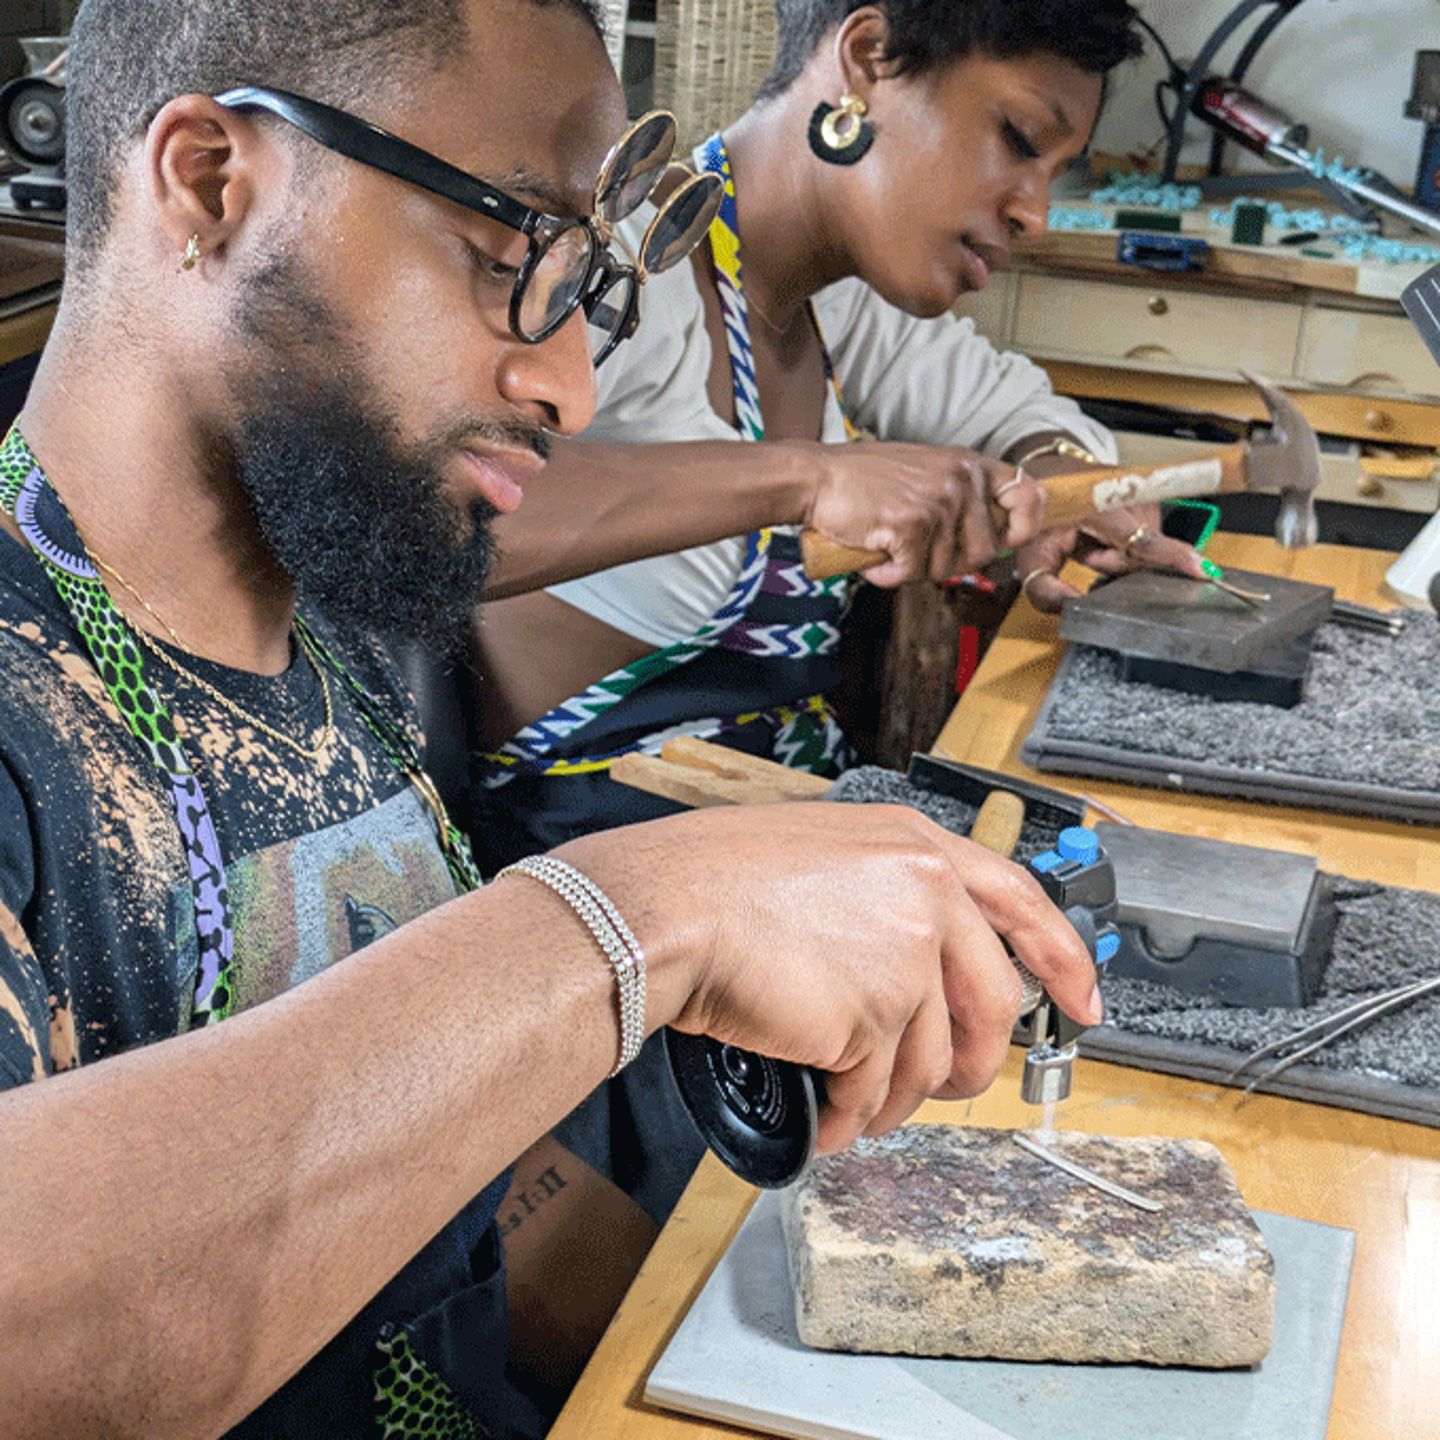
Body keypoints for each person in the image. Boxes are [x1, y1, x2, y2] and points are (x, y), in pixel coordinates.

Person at [0, 0, 1103, 1435]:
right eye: (503, 253)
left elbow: (482, 1205)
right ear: (214, 180)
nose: (568, 385)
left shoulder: (322, 655)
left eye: (589, 290)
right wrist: (636, 924)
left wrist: (742, 1360)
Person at [468, 0, 1209, 874]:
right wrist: (808, 478)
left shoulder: (835, 303)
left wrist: (1065, 487)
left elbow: (1021, 415)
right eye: (1017, 137)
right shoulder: (622, 261)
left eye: (1057, 171)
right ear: (866, 57)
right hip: (591, 893)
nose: (1034, 212)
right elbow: (430, 515)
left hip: (785, 855)